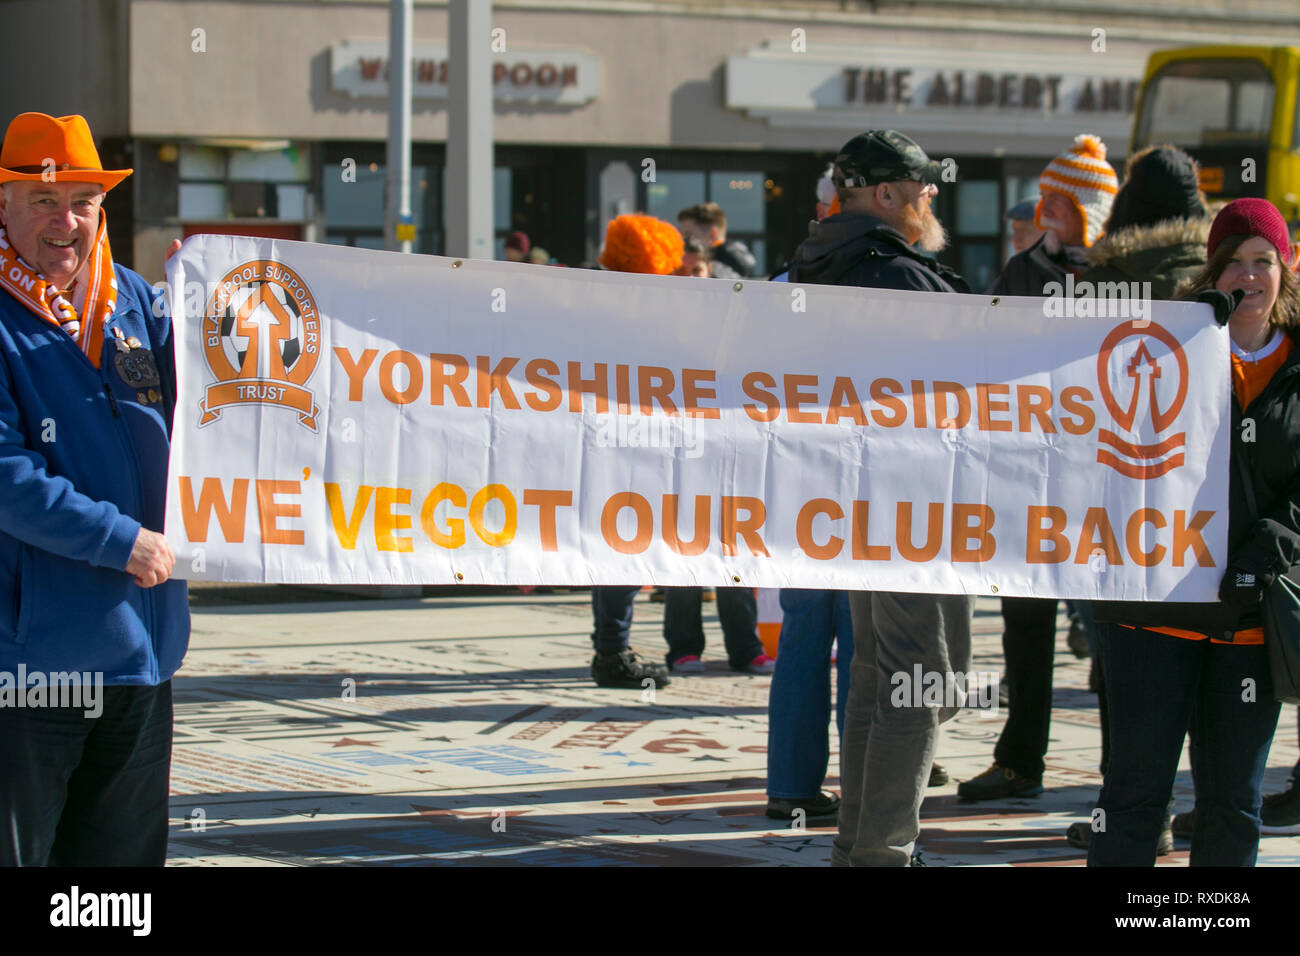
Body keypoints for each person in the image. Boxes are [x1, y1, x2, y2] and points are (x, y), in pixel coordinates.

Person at [1088, 197, 1300, 866]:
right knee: (1132, 799)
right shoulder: (1160, 349)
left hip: (1249, 623)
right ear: (1210, 273)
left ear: (1285, 271)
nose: (1249, 276)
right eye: (1233, 261)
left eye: (1263, 260)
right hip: (1154, 619)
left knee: (1234, 804)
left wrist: (1263, 555)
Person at [0, 112, 188, 866]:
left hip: (144, 651)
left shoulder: (136, 302)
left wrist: (212, 314)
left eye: (82, 201)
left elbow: (215, 412)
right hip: (34, 667)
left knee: (115, 887)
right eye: (43, 201)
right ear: (4, 206)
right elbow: (7, 474)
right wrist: (120, 541)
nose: (65, 221)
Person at [788, 129, 976, 866]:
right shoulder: (895, 276)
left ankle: (860, 844)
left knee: (876, 674)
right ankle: (882, 852)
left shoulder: (814, 264)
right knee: (920, 678)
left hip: (846, 505)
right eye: (922, 185)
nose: (933, 196)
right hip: (911, 505)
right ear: (886, 194)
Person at [960, 135, 1119, 804]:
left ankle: (1127, 775)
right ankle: (1020, 759)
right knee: (1026, 625)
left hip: (1112, 480)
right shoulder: (1022, 270)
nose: (1047, 215)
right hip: (1034, 474)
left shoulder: (1123, 270)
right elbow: (989, 350)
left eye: (1061, 205)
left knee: (1115, 636)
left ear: (1089, 212)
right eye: (1045, 203)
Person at [677, 202, 756, 279]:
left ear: (713, 233)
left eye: (689, 234)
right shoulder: (735, 262)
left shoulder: (719, 271)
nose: (683, 241)